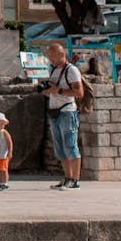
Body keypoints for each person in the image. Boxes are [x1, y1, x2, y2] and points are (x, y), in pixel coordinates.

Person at [43, 42, 83, 189]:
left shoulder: (71, 71)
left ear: (62, 54)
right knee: (60, 147)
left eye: (53, 56)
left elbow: (79, 92)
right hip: (54, 111)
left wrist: (59, 91)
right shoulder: (53, 70)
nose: (51, 59)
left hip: (67, 111)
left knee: (71, 145)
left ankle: (75, 180)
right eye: (49, 56)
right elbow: (52, 88)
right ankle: (67, 177)